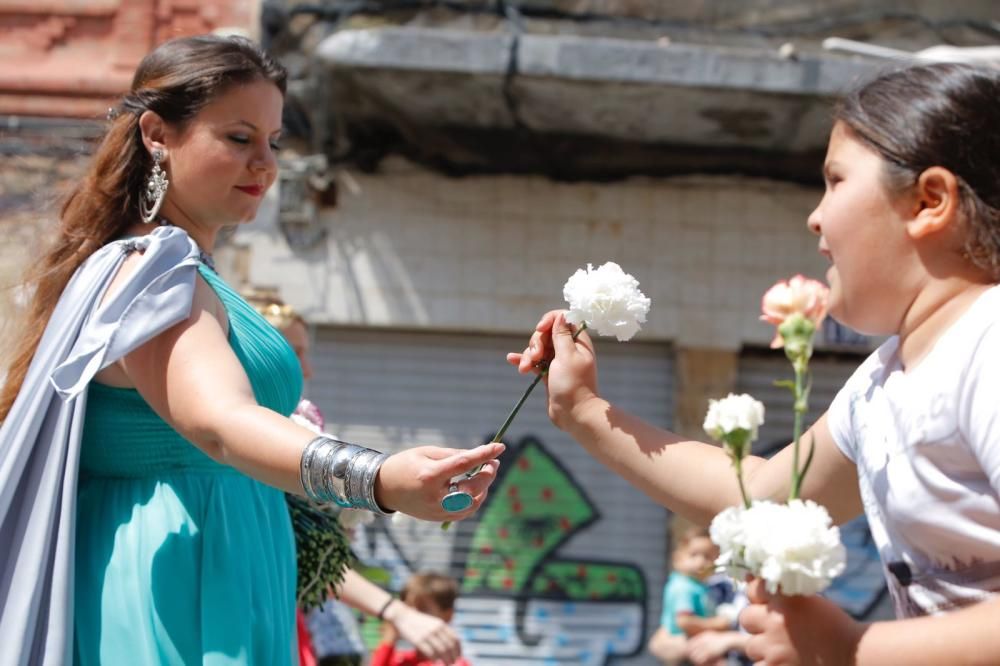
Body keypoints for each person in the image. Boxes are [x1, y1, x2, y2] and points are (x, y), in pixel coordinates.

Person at [0, 34, 502, 666]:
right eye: (239, 138)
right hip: (179, 575)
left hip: (222, 564)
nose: (265, 163)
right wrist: (375, 478)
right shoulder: (155, 267)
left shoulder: (175, 270)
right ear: (157, 134)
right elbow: (220, 423)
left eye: (274, 142)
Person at [509, 62, 1000, 665]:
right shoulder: (881, 383)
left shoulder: (988, 343)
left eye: (836, 181)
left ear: (930, 200)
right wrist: (582, 409)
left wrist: (853, 649)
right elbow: (758, 495)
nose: (815, 216)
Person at [245, 291, 467, 666]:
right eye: (295, 353)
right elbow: (302, 554)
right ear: (258, 355)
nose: (308, 369)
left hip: (283, 615)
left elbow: (305, 556)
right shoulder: (251, 440)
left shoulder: (286, 429)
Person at [648, 527, 745, 666]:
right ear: (678, 559)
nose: (701, 562)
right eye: (694, 555)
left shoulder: (698, 586)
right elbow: (685, 621)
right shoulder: (683, 587)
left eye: (708, 556)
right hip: (686, 646)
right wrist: (718, 624)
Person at [370, 572, 471, 666]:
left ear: (447, 615)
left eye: (422, 608)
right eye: (408, 607)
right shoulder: (400, 659)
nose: (412, 616)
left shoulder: (456, 664)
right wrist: (389, 639)